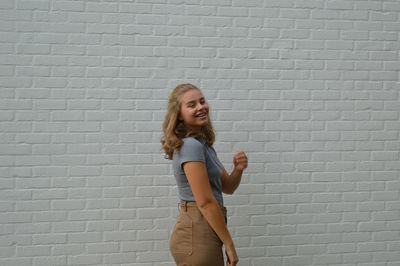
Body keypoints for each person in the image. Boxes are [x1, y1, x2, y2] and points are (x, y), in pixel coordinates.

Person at [161, 83, 248, 266]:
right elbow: (206, 202)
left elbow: (227, 187)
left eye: (202, 101)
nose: (201, 107)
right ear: (179, 116)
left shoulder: (203, 145)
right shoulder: (190, 146)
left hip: (204, 230)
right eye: (192, 105)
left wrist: (238, 170)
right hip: (197, 233)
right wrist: (229, 244)